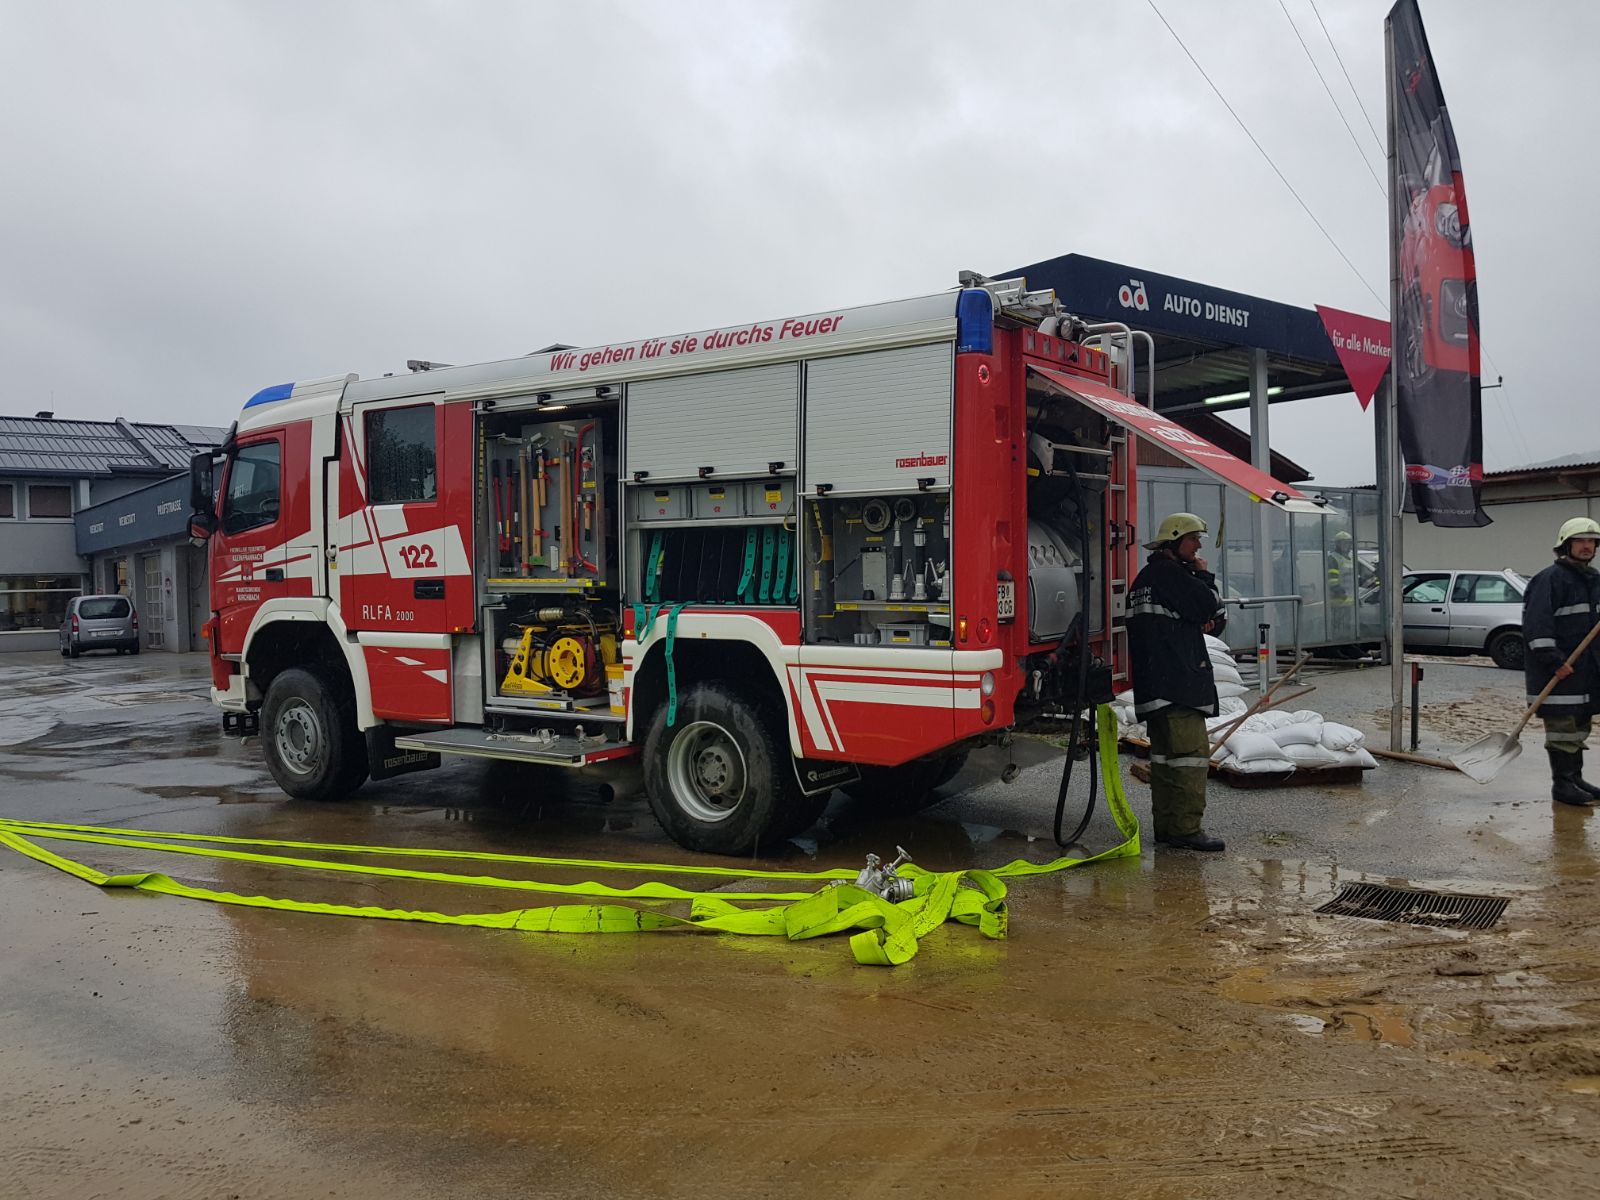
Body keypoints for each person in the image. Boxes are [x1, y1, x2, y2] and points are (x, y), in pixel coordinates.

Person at [1128, 513, 1228, 851]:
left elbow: (1209, 619)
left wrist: (1199, 617)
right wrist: (1203, 575)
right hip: (1179, 685)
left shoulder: (1144, 579)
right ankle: (1186, 830)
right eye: (1193, 538)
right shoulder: (1173, 575)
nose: (1199, 545)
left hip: (1154, 685)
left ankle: (1167, 827)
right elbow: (1210, 607)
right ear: (1174, 541)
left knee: (1165, 760)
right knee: (1190, 758)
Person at [1522, 517, 1600, 806]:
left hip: (1586, 675)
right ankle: (1563, 785)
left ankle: (1575, 779)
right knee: (1562, 730)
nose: (1587, 546)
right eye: (1580, 541)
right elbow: (1536, 627)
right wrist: (1554, 660)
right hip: (1558, 674)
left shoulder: (1594, 580)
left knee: (1579, 728)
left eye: (1591, 541)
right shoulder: (1549, 579)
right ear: (1566, 545)